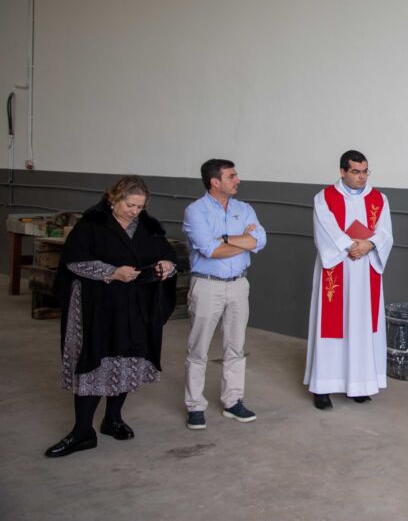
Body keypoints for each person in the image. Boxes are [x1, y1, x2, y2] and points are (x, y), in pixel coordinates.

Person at [44, 175, 178, 457]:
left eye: (140, 207)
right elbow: (75, 261)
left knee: (127, 360)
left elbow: (168, 256)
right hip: (98, 307)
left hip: (133, 308)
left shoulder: (148, 227)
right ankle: (82, 431)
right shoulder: (92, 225)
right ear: (113, 199)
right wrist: (111, 272)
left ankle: (112, 419)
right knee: (94, 361)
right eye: (130, 205)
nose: (135, 212)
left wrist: (167, 265)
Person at [304, 150, 394, 408]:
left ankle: (359, 384)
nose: (361, 177)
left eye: (365, 171)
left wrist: (369, 244)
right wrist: (350, 246)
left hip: (366, 272)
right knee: (331, 325)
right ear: (342, 171)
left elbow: (386, 232)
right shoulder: (325, 197)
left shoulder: (379, 198)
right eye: (356, 172)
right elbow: (326, 228)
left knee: (363, 325)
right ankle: (323, 386)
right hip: (338, 268)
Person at [182, 159, 267, 430]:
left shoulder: (245, 209)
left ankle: (233, 402)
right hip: (207, 285)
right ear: (214, 181)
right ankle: (195, 406)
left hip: (239, 284)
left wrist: (225, 239)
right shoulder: (195, 211)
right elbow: (209, 250)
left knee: (235, 347)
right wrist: (241, 240)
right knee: (198, 348)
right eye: (231, 176)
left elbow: (259, 241)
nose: (237, 180)